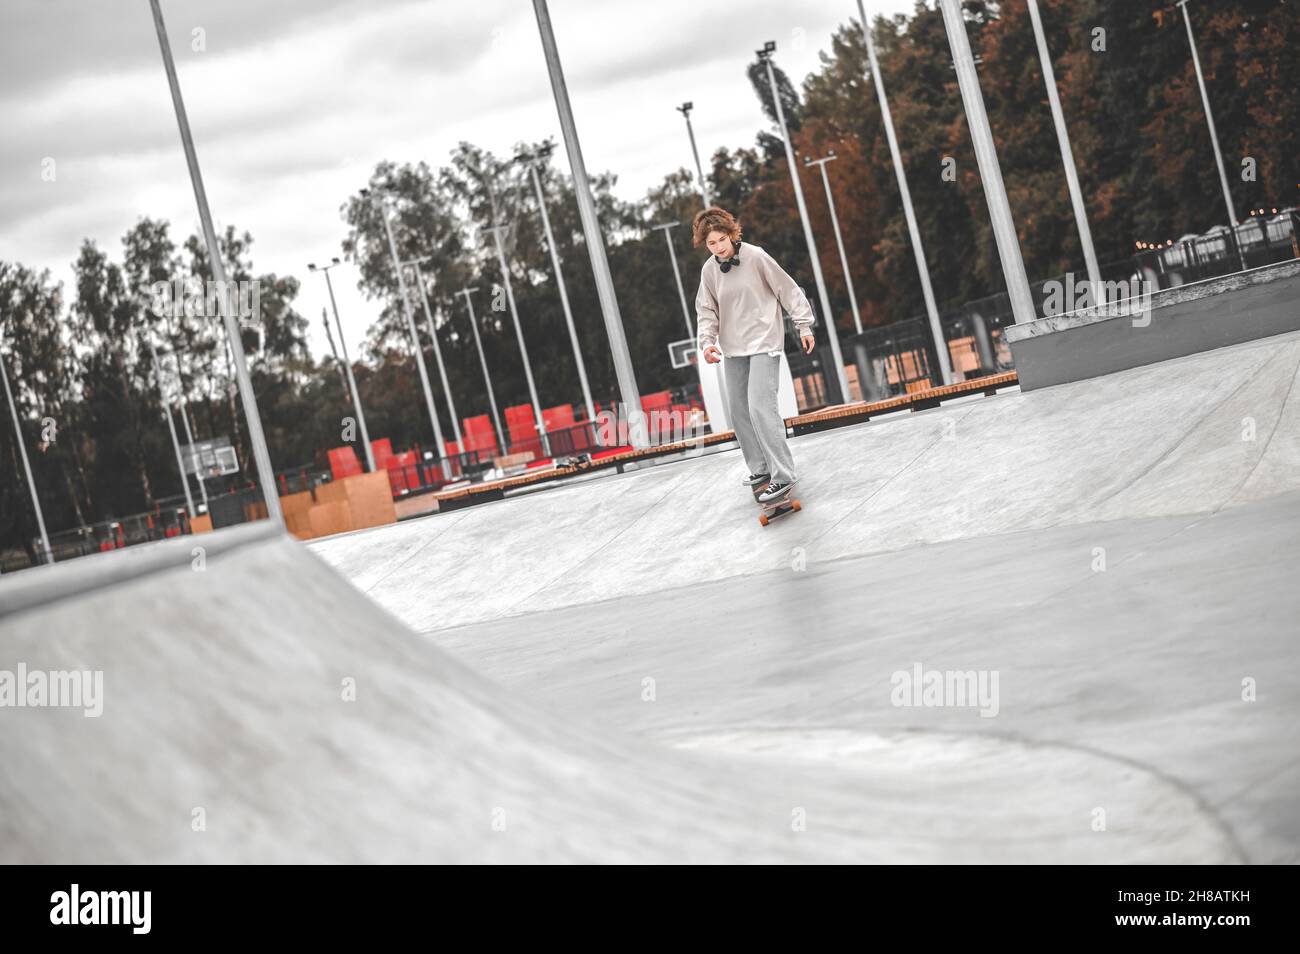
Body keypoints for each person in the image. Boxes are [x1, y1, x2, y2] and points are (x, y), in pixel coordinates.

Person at [692, 206, 815, 503]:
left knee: (761, 407)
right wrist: (707, 342)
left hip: (764, 343)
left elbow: (788, 289)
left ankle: (783, 474)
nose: (719, 248)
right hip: (733, 349)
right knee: (739, 410)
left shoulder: (756, 256)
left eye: (722, 240)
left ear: (732, 234)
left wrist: (804, 326)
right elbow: (706, 310)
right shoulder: (709, 270)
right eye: (711, 244)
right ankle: (760, 468)